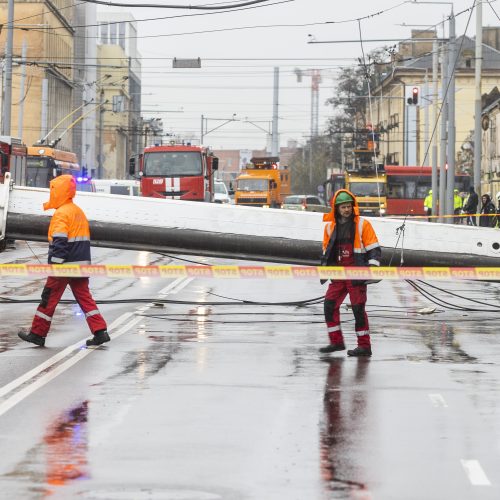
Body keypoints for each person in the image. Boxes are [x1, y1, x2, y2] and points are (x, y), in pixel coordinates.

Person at [18, 175, 109, 347]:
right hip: (80, 265)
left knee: (49, 298)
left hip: (64, 266)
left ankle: (37, 333)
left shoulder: (61, 214)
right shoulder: (77, 211)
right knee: (85, 298)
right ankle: (100, 331)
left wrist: (55, 265)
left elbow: (60, 241)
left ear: (58, 192)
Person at [319, 189, 381, 357]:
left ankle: (364, 346)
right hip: (339, 275)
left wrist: (372, 269)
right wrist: (328, 268)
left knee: (358, 309)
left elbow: (374, 249)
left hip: (356, 273)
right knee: (329, 305)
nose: (346, 210)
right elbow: (326, 249)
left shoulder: (363, 224)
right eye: (343, 207)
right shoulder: (330, 227)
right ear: (336, 208)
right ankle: (336, 342)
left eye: (349, 206)